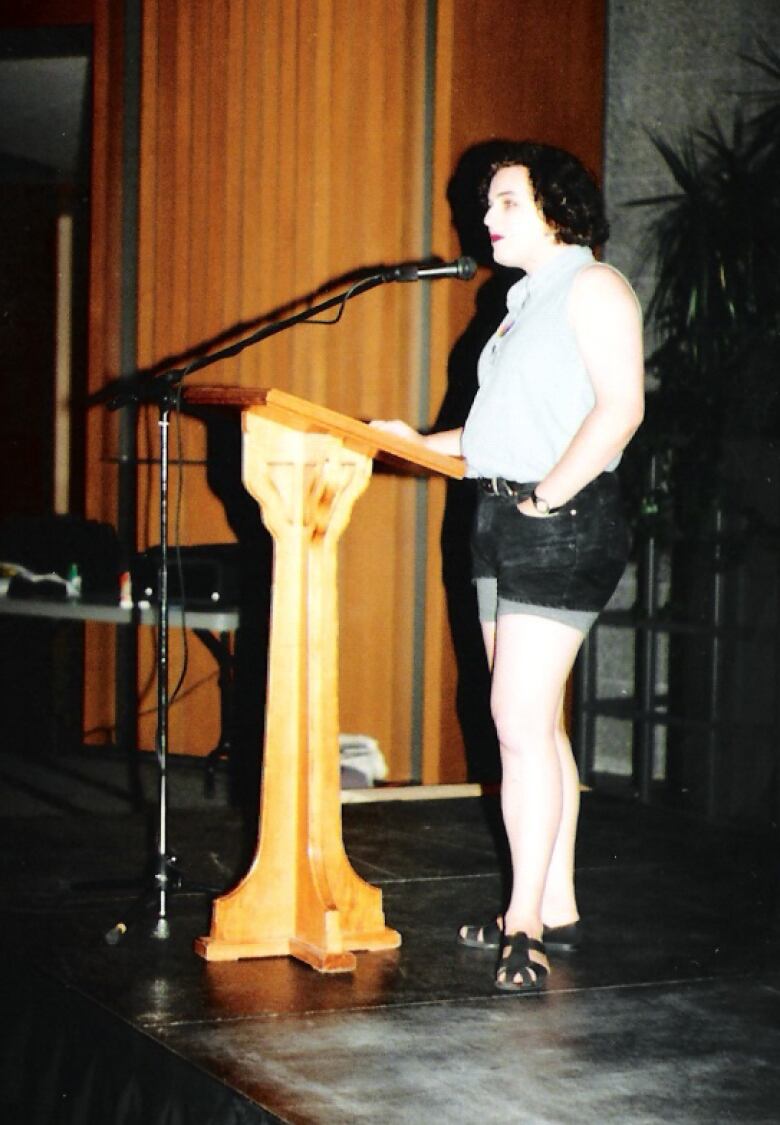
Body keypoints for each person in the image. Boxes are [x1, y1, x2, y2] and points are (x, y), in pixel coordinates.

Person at [372, 141, 645, 992]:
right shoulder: (522, 301)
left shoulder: (593, 287)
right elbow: (500, 432)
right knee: (533, 723)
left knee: (516, 721)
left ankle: (521, 920)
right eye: (485, 206)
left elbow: (620, 409)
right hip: (498, 511)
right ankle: (551, 901)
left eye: (504, 203)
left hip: (558, 518)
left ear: (557, 208)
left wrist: (545, 500)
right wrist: (420, 443)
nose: (483, 220)